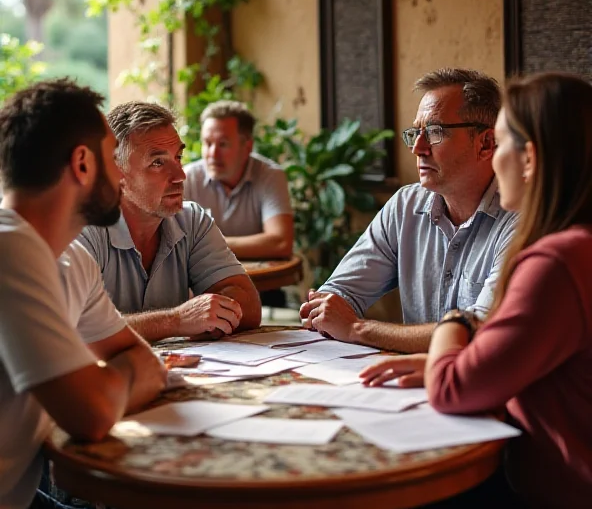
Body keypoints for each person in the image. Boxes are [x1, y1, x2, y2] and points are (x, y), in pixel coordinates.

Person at [358, 71, 592, 509]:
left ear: (528, 159)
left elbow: (450, 388)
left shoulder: (556, 262)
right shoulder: (578, 246)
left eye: (500, 142)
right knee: (381, 501)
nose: (495, 158)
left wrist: (455, 321)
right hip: (542, 480)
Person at [0, 79, 222, 509]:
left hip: (22, 503)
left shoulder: (68, 258)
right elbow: (91, 414)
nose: (121, 175)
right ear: (83, 164)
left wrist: (108, 379)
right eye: (111, 156)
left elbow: (140, 361)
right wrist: (110, 384)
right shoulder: (9, 250)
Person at [300, 68, 517, 352]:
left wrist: (357, 329)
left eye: (436, 132)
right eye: (416, 132)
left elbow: (482, 334)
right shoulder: (406, 206)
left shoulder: (521, 219)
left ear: (486, 143)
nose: (418, 148)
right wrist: (327, 308)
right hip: (406, 383)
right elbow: (340, 294)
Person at [77, 101, 261, 344]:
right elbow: (77, 328)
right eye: (158, 163)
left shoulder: (192, 220)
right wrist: (176, 321)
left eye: (178, 157)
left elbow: (248, 304)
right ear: (116, 172)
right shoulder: (85, 229)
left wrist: (215, 314)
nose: (180, 176)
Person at [183, 101, 293, 261]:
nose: (213, 154)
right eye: (207, 143)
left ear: (247, 146)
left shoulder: (269, 176)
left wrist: (206, 245)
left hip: (261, 283)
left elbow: (281, 243)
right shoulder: (187, 178)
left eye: (223, 144)